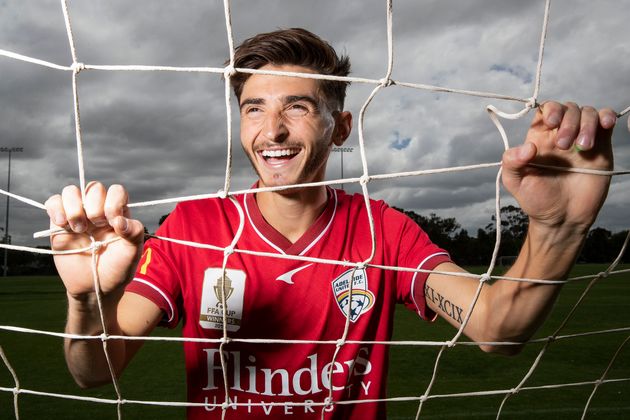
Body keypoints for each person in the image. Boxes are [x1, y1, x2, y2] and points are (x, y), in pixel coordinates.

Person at [45, 28, 620, 419]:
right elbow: (97, 370)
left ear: (340, 127)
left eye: (295, 106)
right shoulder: (192, 227)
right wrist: (88, 299)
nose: (271, 130)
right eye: (253, 108)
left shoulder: (383, 231)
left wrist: (557, 229)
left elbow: (499, 330)